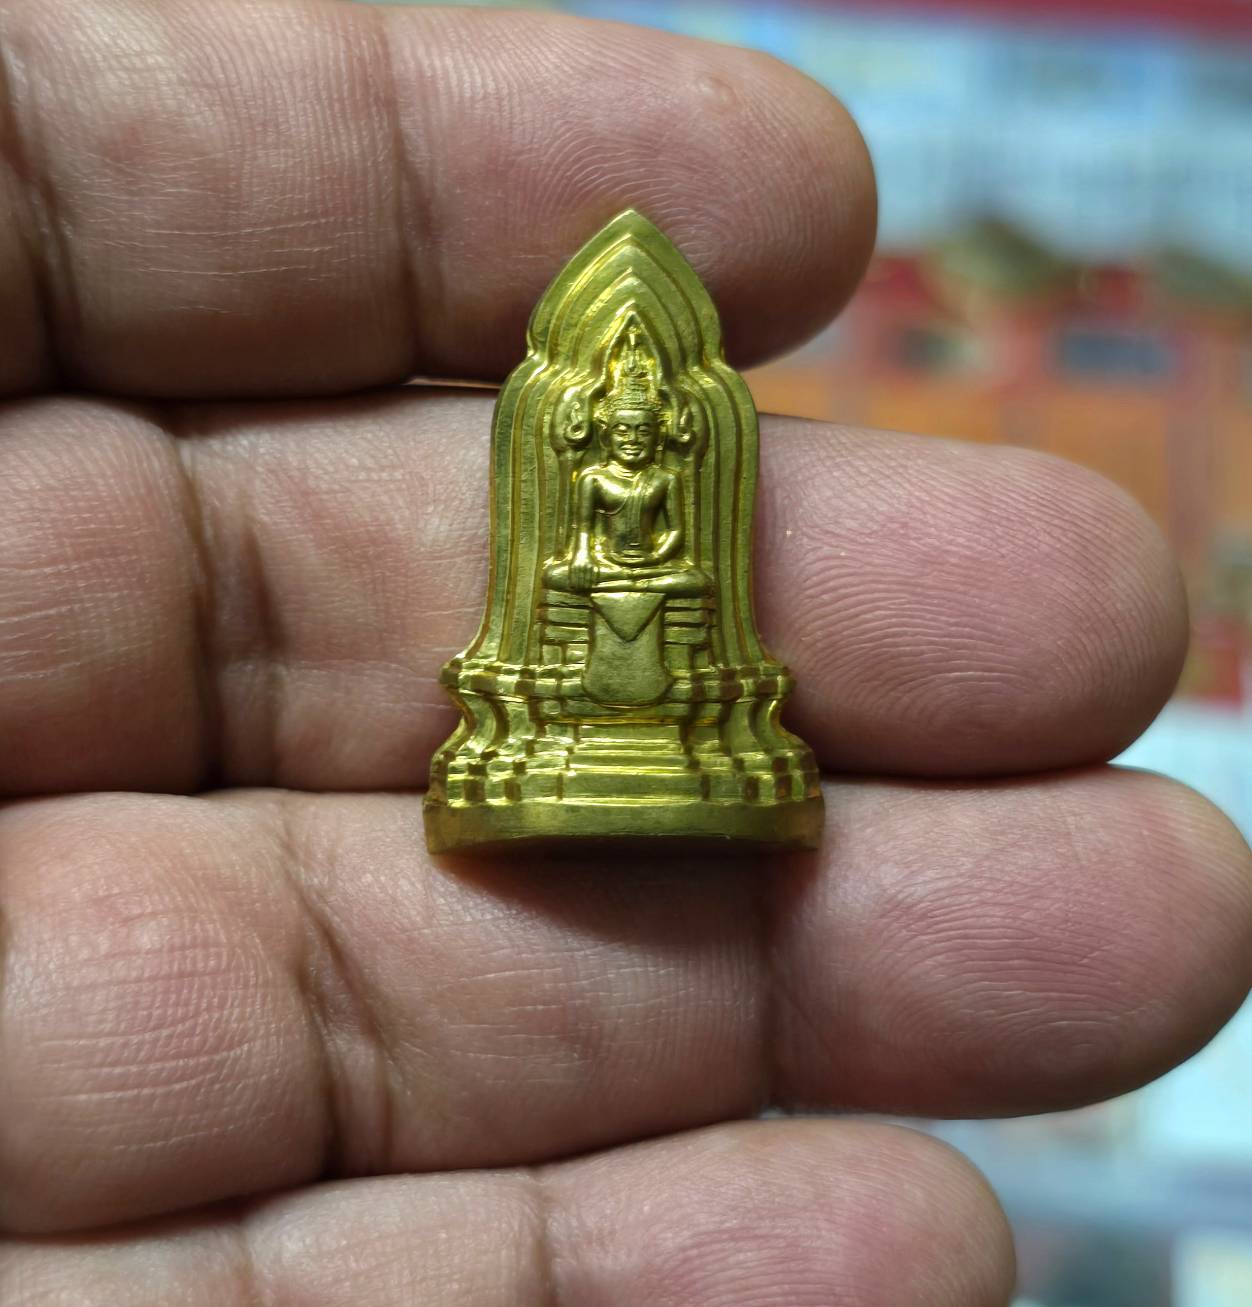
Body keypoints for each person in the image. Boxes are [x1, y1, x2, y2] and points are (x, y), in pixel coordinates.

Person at [0, 1, 1248, 1303]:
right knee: (589, 585)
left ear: (679, 411)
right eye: (625, 409)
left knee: (676, 591)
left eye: (658, 409)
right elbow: (578, 548)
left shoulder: (673, 454)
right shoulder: (589, 460)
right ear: (596, 411)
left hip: (664, 606)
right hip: (587, 605)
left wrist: (651, 555)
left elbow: (672, 543)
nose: (641, 425)